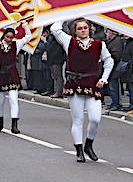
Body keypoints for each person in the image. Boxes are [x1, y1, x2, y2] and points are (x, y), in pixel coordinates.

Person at [50, 19, 113, 162]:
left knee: (95, 118)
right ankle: (79, 150)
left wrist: (104, 78)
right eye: (79, 28)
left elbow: (109, 61)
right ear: (75, 31)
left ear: (90, 29)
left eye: (85, 28)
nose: (83, 30)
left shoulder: (99, 45)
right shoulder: (69, 42)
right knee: (78, 119)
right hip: (75, 84)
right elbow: (55, 29)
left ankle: (89, 145)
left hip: (92, 84)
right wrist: (66, 15)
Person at [0, 24, 33, 134]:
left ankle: (14, 125)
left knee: (13, 99)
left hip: (12, 73)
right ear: (3, 36)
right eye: (8, 37)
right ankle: (0, 123)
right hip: (0, 75)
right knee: (1, 101)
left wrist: (25, 25)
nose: (9, 39)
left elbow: (28, 36)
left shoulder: (16, 44)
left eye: (11, 37)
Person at [44, 27, 66, 98]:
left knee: (58, 76)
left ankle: (58, 92)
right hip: (52, 59)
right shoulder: (52, 38)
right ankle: (56, 90)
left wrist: (45, 42)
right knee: (54, 76)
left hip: (57, 59)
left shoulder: (58, 38)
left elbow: (52, 48)